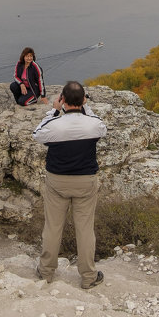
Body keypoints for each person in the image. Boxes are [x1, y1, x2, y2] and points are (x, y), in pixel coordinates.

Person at [32, 81, 107, 288]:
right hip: (85, 181)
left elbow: (37, 134)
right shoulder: (93, 125)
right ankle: (88, 277)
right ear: (83, 100)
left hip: (57, 180)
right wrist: (86, 106)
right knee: (84, 229)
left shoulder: (55, 125)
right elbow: (101, 125)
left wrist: (54, 111)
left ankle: (46, 272)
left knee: (53, 227)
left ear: (62, 100)